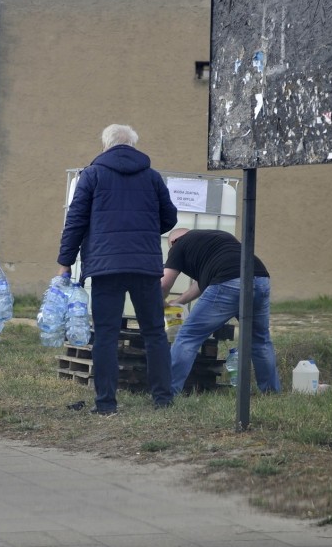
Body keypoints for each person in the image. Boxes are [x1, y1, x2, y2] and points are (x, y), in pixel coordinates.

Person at [57, 124, 178, 415]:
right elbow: (170, 218)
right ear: (133, 145)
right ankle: (163, 399)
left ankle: (106, 403)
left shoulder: (92, 175)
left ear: (105, 145)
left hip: (105, 267)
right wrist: (147, 231)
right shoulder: (152, 177)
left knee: (107, 334)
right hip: (145, 265)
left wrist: (65, 262)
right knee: (154, 333)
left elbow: (75, 221)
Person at [161, 228, 282, 395]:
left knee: (188, 337)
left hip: (228, 281)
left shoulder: (179, 245)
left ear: (173, 242)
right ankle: (271, 393)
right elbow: (202, 282)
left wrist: (158, 303)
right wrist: (178, 301)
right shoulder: (219, 237)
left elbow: (164, 284)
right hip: (260, 277)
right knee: (260, 340)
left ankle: (166, 394)